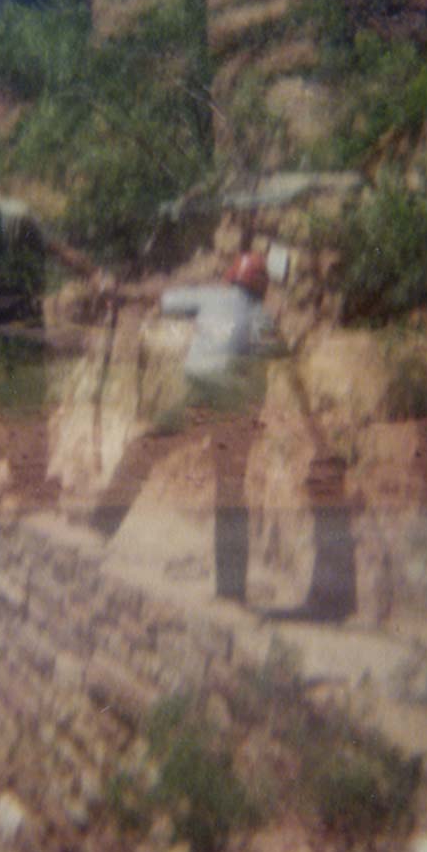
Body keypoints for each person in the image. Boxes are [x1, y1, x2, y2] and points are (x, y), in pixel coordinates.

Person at [159, 250, 280, 601]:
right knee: (230, 489)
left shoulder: (212, 296)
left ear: (231, 277)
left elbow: (167, 301)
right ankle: (230, 589)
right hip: (238, 407)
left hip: (200, 394)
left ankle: (101, 526)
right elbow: (272, 357)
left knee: (148, 447)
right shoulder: (262, 315)